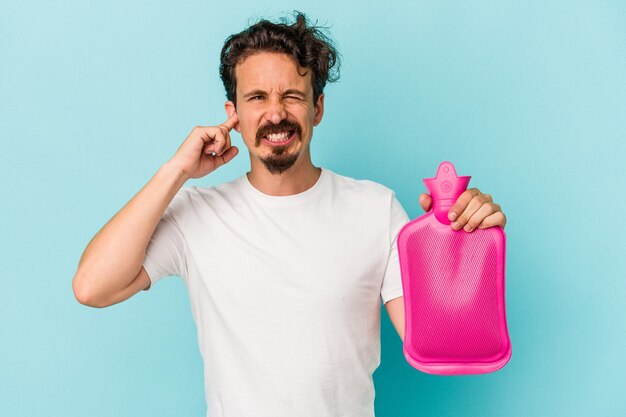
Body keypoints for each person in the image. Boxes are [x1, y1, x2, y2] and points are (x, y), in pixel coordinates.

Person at [72, 12, 507, 417]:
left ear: (317, 108)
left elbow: (439, 342)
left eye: (292, 96)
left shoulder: (375, 208)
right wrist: (177, 171)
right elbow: (93, 287)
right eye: (257, 97)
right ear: (234, 116)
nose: (275, 113)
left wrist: (463, 244)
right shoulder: (197, 214)